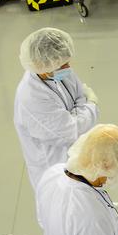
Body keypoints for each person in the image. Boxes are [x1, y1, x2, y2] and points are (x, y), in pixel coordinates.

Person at [13, 28, 99, 191]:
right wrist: (91, 106)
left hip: (76, 157)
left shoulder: (57, 71)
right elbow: (70, 132)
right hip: (54, 169)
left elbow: (79, 95)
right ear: (39, 65)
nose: (68, 67)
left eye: (66, 61)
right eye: (61, 64)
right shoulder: (32, 97)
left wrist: (77, 113)